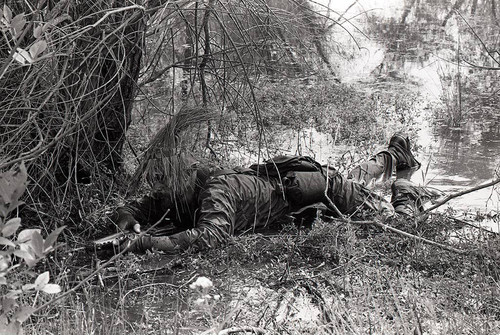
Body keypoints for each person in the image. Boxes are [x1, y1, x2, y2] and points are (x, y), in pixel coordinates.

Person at [107, 129, 439, 254]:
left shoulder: (216, 190)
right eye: (157, 184)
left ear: (181, 176)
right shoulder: (180, 187)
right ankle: (392, 154)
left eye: (163, 183)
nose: (159, 191)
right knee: (351, 176)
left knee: (401, 226)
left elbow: (211, 237)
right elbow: (140, 207)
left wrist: (146, 242)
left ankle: (403, 180)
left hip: (329, 194)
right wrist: (126, 219)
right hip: (313, 189)